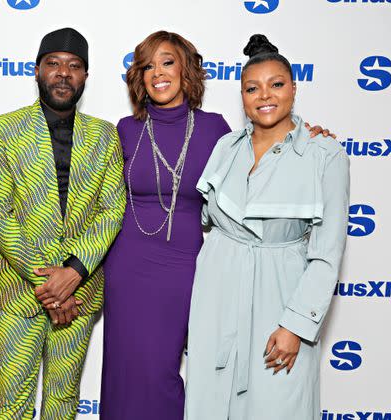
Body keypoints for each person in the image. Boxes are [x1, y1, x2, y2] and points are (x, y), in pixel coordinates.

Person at [100, 31, 333, 420]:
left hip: (188, 270)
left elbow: (267, 153)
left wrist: (308, 137)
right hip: (128, 268)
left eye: (168, 62)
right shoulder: (124, 130)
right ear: (139, 77)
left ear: (186, 69)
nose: (158, 72)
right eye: (148, 66)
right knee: (125, 371)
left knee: (161, 373)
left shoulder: (216, 132)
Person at [184, 34, 349, 420]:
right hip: (217, 293)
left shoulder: (325, 155)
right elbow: (208, 218)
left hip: (281, 294)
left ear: (294, 88)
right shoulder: (226, 146)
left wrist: (296, 326)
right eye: (252, 88)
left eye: (276, 85)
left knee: (278, 403)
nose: (265, 96)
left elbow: (326, 254)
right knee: (209, 400)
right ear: (242, 96)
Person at [0, 28, 126, 419]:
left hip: (80, 292)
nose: (64, 73)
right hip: (19, 293)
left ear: (85, 77)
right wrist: (50, 283)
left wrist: (73, 273)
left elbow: (111, 210)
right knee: (11, 403)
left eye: (74, 66)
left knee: (63, 402)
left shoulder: (105, 135)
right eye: (54, 64)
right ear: (37, 71)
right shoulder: (4, 130)